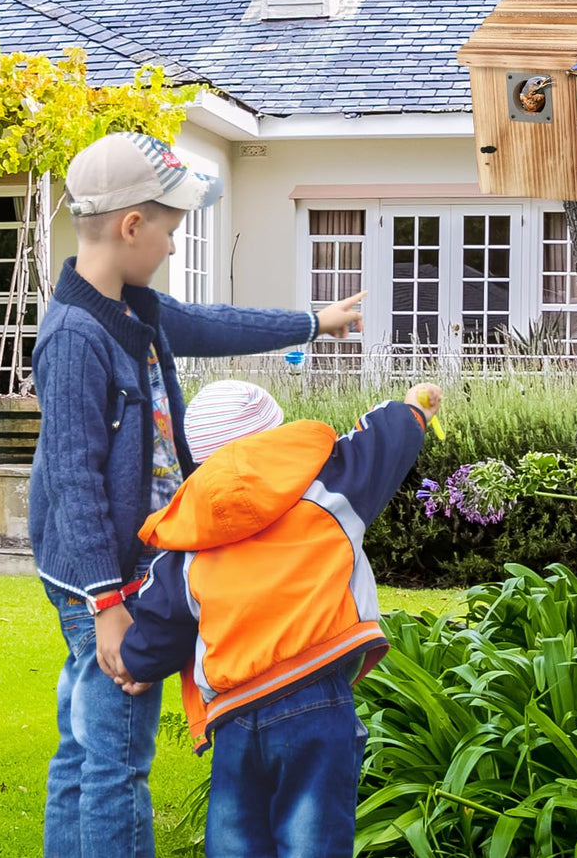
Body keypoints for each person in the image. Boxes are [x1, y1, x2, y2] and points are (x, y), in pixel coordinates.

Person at [30, 131, 366, 858]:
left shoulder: (135, 310)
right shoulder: (73, 338)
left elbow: (212, 323)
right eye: (172, 230)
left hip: (122, 569)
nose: (175, 248)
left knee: (82, 748)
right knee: (118, 760)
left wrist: (314, 322)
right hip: (104, 580)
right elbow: (74, 483)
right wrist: (109, 606)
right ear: (131, 226)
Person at [119, 377, 443, 858]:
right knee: (312, 837)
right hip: (315, 696)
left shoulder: (188, 539)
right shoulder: (332, 489)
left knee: (236, 839)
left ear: (201, 457)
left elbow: (161, 619)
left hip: (234, 712)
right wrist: (416, 407)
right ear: (278, 437)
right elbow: (384, 441)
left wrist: (136, 665)